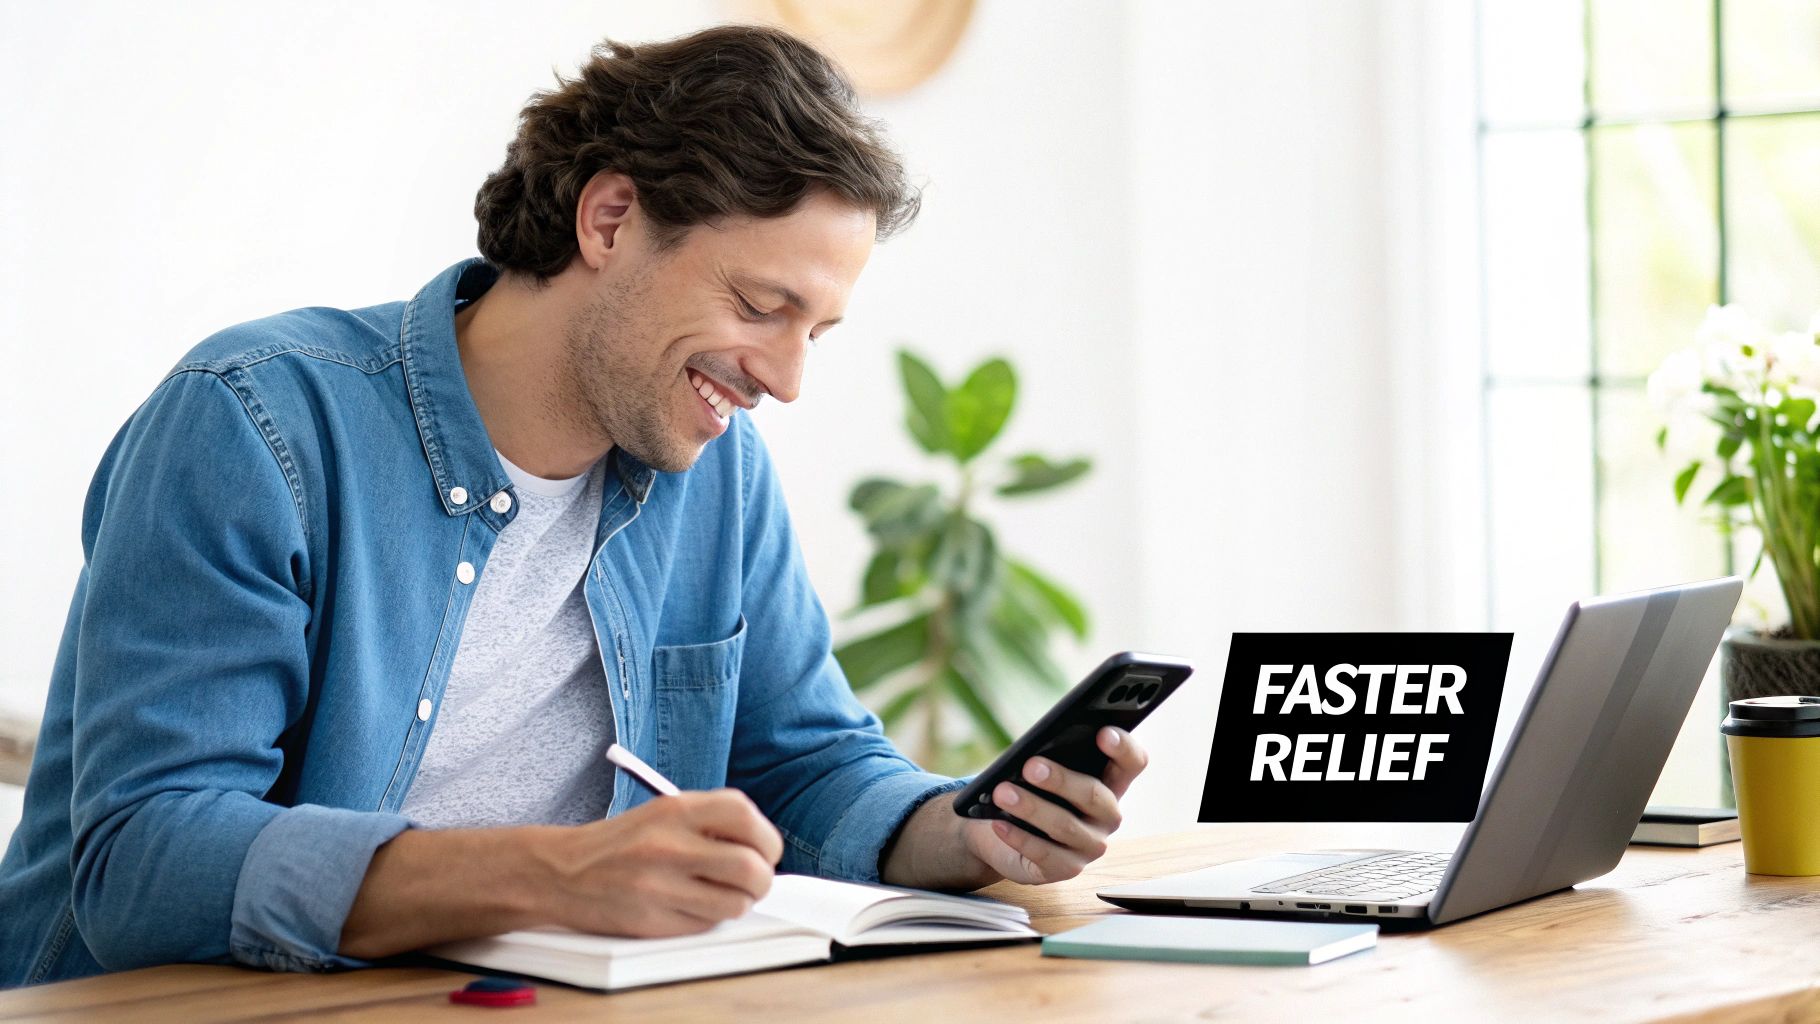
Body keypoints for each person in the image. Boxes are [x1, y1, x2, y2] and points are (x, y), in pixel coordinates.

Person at [0, 24, 1148, 987]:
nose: (786, 379)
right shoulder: (257, 425)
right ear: (608, 221)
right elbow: (145, 859)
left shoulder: (714, 469)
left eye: (817, 331)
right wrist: (553, 873)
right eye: (760, 303)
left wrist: (966, 831)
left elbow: (800, 759)